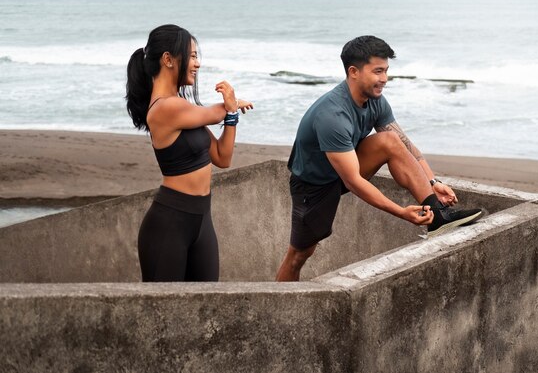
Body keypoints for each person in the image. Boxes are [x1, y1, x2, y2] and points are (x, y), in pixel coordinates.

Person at [275, 35, 482, 281]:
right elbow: (353, 181)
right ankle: (281, 303)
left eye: (386, 71)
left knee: (390, 140)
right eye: (378, 71)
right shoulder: (332, 115)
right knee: (300, 254)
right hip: (313, 186)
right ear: (354, 71)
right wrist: (401, 212)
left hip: (347, 166)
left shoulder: (375, 101)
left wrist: (433, 182)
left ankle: (437, 217)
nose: (384, 79)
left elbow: (405, 145)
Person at [126, 24, 253, 282]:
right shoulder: (164, 108)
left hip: (202, 219)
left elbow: (222, 157)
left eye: (197, 56)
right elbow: (213, 112)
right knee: (165, 313)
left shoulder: (184, 109)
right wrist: (230, 104)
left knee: (206, 306)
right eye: (192, 56)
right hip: (169, 223)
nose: (197, 64)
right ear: (168, 59)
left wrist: (231, 116)